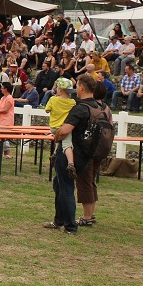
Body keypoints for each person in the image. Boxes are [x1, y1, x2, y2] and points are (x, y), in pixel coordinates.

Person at [48, 74, 104, 233]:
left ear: (81, 87)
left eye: (77, 85)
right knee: (58, 184)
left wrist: (56, 136)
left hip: (71, 152)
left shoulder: (79, 108)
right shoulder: (97, 106)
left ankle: (70, 225)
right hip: (87, 153)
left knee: (66, 188)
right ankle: (59, 220)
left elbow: (65, 130)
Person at [43, 78, 76, 178]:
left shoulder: (53, 99)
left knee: (58, 141)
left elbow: (47, 110)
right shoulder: (72, 102)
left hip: (53, 127)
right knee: (67, 145)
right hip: (65, 128)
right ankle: (71, 163)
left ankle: (54, 153)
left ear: (60, 90)